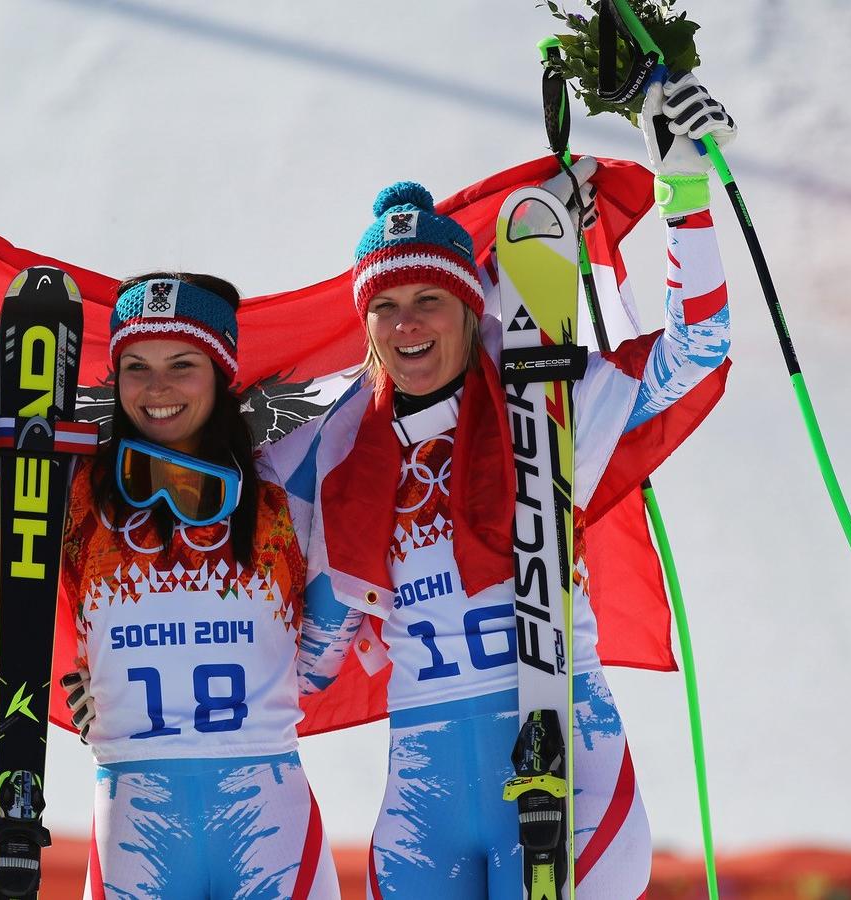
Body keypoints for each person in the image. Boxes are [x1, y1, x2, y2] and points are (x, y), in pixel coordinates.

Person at [269, 72, 737, 898]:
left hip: (571, 770)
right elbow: (302, 663)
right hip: (422, 800)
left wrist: (685, 186)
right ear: (366, 323)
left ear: (468, 304)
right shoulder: (331, 454)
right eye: (385, 306)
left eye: (428, 300)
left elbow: (697, 348)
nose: (407, 324)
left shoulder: (549, 398)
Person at [0, 268, 344, 897]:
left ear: (223, 372)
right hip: (136, 821)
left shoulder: (278, 488)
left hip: (270, 820)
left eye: (183, 364)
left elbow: (392, 376)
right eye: (136, 367)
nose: (157, 389)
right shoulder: (76, 489)